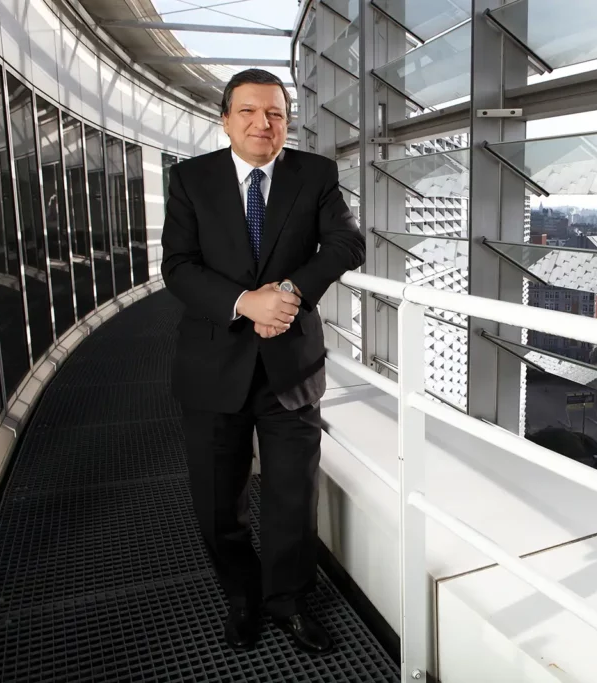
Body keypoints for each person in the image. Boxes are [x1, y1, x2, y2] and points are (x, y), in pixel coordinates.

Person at [161, 69, 365, 654]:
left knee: (291, 497)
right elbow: (177, 266)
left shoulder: (316, 174)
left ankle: (287, 601)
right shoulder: (191, 180)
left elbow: (347, 244)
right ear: (225, 119)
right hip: (212, 366)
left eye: (275, 113)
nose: (263, 124)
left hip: (289, 365)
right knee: (216, 502)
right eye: (249, 111)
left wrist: (290, 294)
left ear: (287, 120)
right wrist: (246, 302)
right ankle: (242, 596)